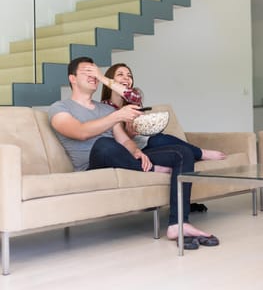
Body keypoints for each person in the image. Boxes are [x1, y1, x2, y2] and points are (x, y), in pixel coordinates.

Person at [48, 56, 219, 248]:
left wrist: (136, 151)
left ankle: (178, 223)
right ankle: (153, 169)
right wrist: (116, 116)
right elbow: (80, 132)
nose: (93, 76)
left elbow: (124, 141)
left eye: (96, 72)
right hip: (93, 163)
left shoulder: (104, 109)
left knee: (182, 153)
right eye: (87, 72)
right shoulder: (59, 107)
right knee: (104, 144)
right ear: (72, 78)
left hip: (123, 157)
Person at [87, 62, 226, 161]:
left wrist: (132, 133)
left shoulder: (134, 99)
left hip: (142, 144)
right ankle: (200, 153)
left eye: (129, 75)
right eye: (120, 75)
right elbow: (116, 140)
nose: (126, 78)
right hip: (123, 150)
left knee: (159, 139)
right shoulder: (103, 108)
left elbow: (131, 95)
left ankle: (199, 153)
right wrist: (102, 78)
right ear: (110, 80)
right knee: (157, 141)